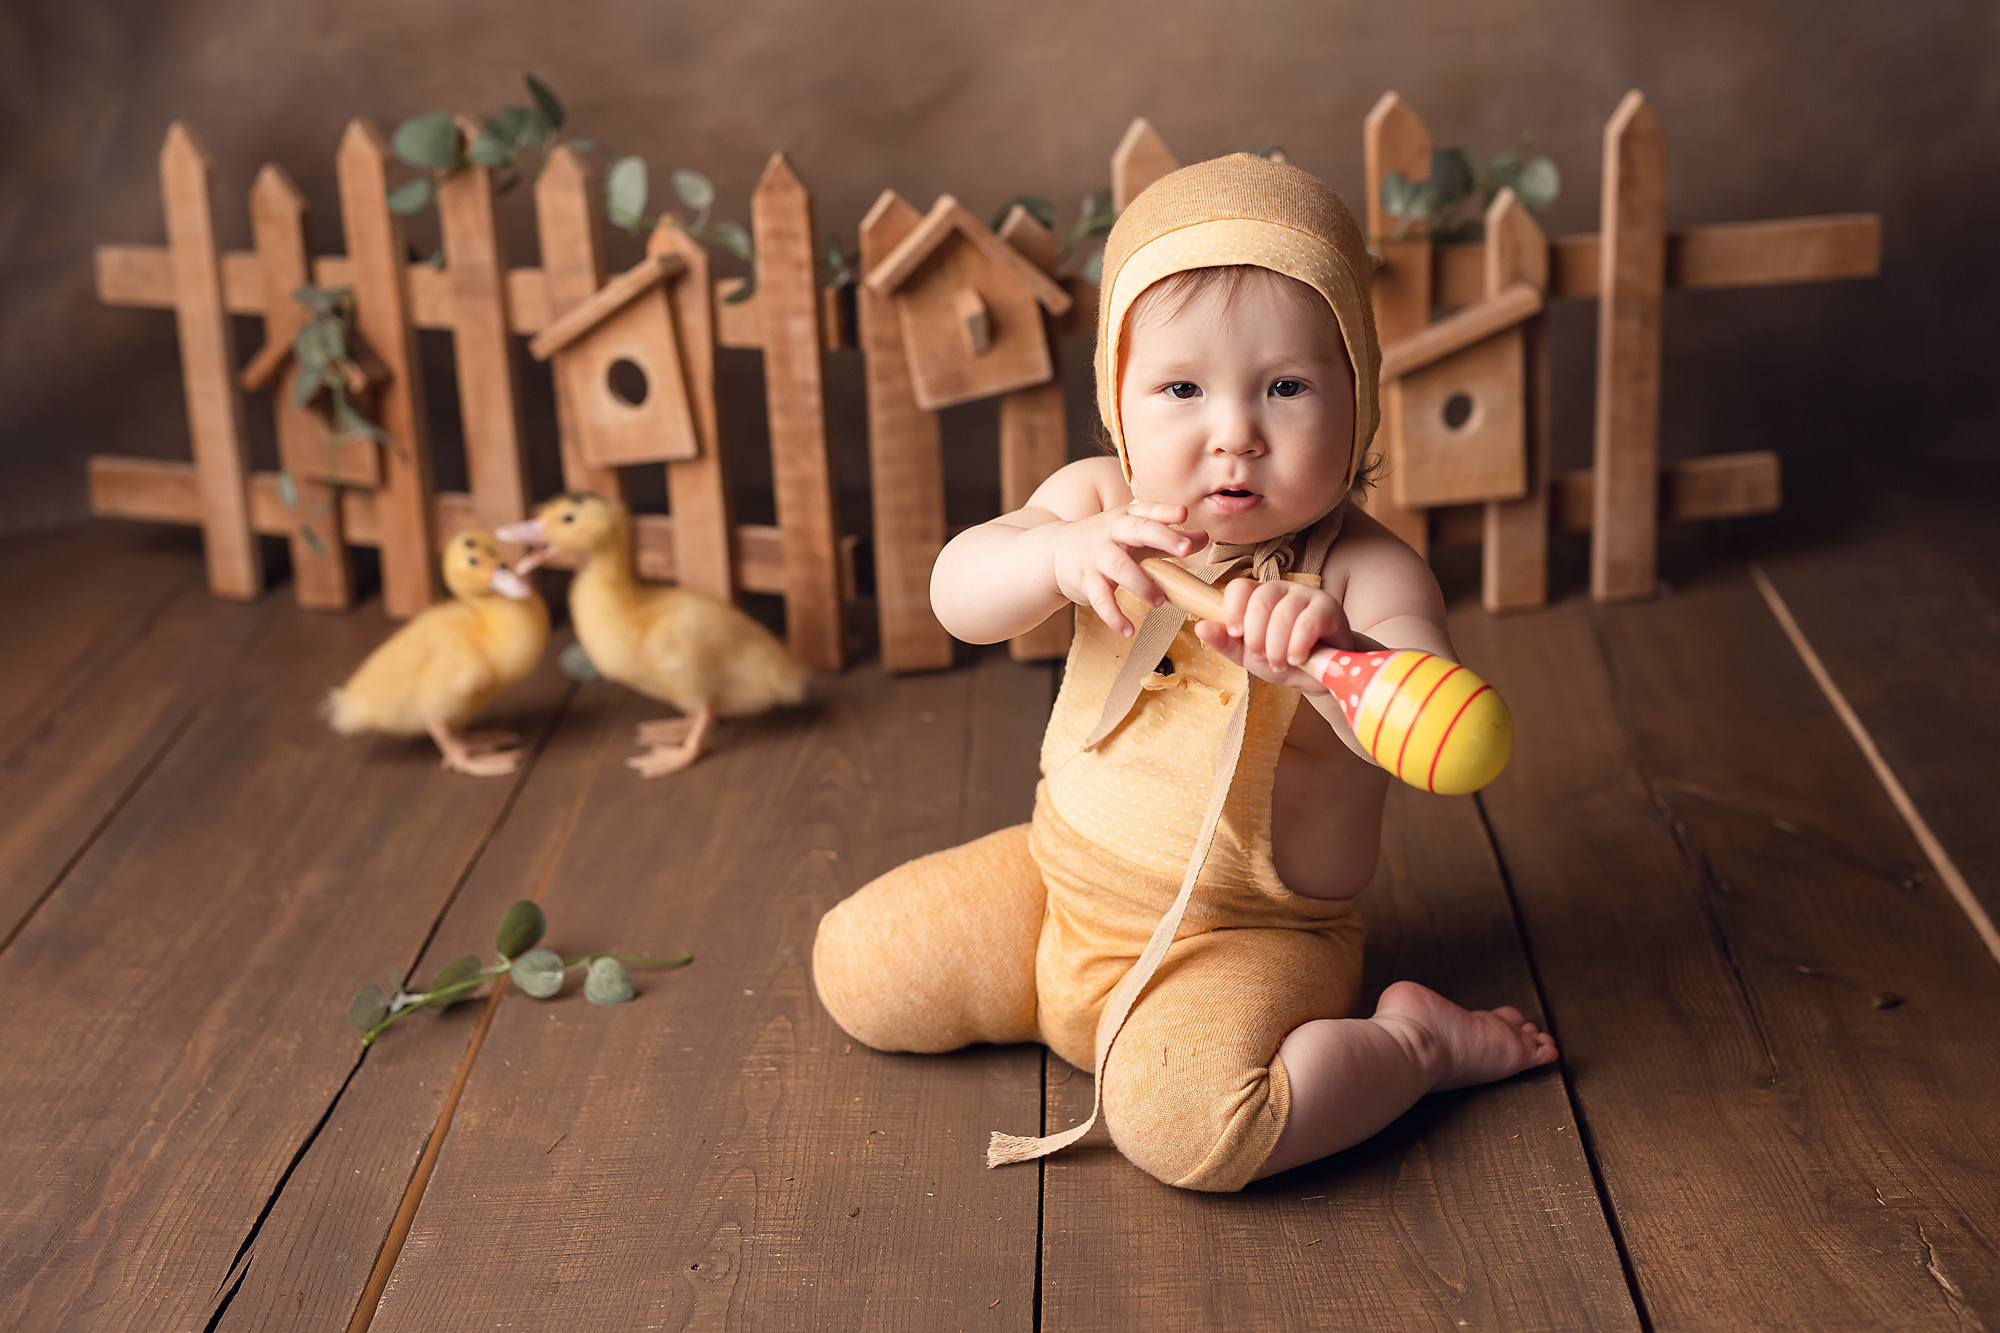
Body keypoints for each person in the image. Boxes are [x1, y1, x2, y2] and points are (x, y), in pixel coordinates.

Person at [813, 153, 1556, 1191]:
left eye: (1286, 387)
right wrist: (1049, 557)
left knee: (1186, 1130)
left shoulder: (1360, 570)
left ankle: (1414, 1047)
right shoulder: (1092, 502)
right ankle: (1049, 997)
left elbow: (1424, 720)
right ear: (1117, 400)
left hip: (1245, 936)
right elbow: (955, 592)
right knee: (859, 966)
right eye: (1180, 388)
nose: (1234, 435)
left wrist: (1328, 656)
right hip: (1057, 885)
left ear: (1360, 399)